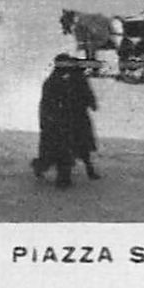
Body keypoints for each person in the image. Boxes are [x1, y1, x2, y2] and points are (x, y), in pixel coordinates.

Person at [31, 53, 100, 188]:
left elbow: (85, 91)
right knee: (62, 147)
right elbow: (47, 103)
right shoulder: (55, 80)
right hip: (62, 119)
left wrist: (90, 102)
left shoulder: (68, 78)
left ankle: (68, 174)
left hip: (73, 117)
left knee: (76, 145)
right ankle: (60, 175)